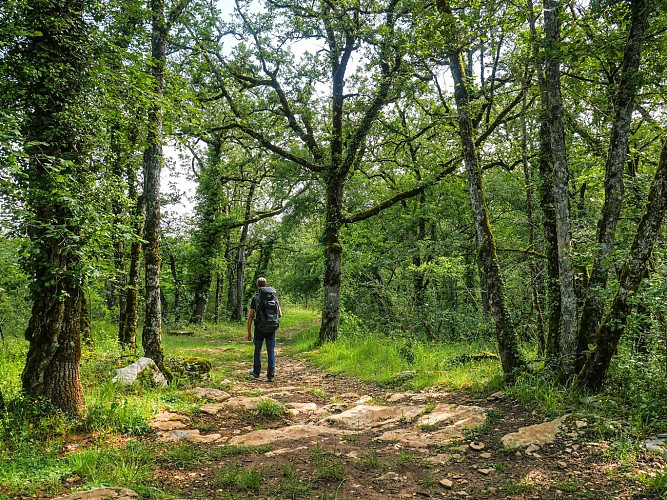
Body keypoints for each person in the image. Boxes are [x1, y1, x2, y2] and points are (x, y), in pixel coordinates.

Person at [247, 277, 282, 382]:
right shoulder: (274, 297)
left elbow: (250, 316)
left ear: (257, 286)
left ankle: (256, 372)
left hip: (259, 328)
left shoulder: (255, 298)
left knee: (257, 350)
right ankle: (270, 375)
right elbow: (280, 314)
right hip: (271, 329)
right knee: (270, 351)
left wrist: (249, 332)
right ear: (266, 285)